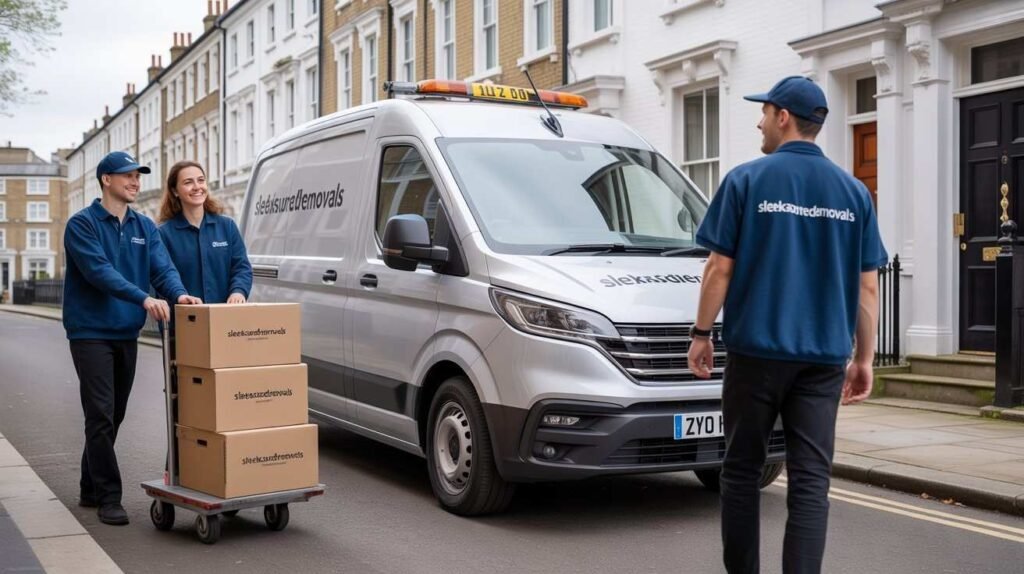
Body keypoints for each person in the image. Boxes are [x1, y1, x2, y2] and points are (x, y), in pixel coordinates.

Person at [686, 76, 887, 574]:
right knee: (810, 482)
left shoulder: (745, 180)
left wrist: (700, 334)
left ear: (783, 117)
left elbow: (719, 269)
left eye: (764, 110)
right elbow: (867, 288)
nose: (758, 120)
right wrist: (864, 359)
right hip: (821, 361)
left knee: (740, 471)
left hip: (756, 356)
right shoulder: (854, 193)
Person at [63, 151, 202, 526]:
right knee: (101, 412)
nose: (135, 181)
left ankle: (89, 486)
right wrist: (143, 298)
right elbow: (99, 272)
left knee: (113, 413)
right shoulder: (82, 225)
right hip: (89, 331)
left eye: (138, 176)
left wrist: (179, 294)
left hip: (125, 331)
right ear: (106, 179)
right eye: (127, 175)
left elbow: (163, 269)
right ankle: (109, 497)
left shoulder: (144, 227)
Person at [157, 161, 252, 306]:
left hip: (224, 318)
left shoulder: (227, 226)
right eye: (188, 182)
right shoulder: (163, 234)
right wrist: (180, 295)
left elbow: (241, 267)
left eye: (201, 180)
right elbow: (163, 275)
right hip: (185, 319)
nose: (197, 187)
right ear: (175, 191)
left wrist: (238, 291)